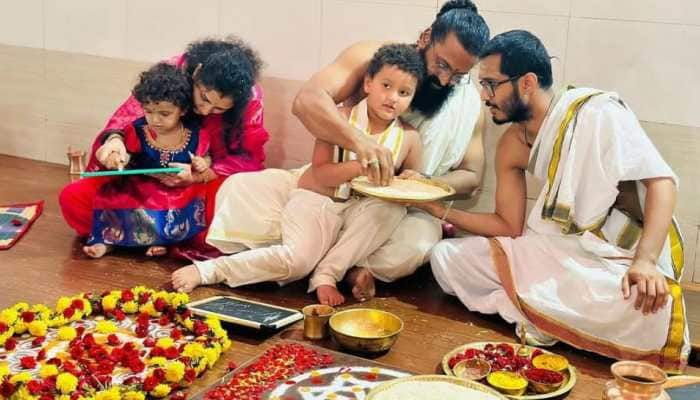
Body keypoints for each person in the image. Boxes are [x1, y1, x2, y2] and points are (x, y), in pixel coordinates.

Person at [170, 0, 490, 297]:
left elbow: (472, 176)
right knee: (243, 190)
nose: (446, 81)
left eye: (459, 75)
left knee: (417, 244)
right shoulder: (373, 59)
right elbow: (307, 101)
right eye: (442, 66)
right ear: (425, 38)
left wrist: (422, 187)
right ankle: (334, 264)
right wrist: (360, 144)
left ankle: (333, 266)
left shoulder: (469, 103)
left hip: (395, 208)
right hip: (332, 188)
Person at [415, 30, 689, 372]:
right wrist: (439, 208)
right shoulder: (511, 145)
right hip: (559, 250)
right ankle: (542, 313)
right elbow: (508, 226)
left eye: (490, 85)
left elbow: (662, 182)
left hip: (617, 255)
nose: (484, 96)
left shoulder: (596, 112)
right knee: (447, 258)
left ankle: (534, 312)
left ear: (527, 83)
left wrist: (645, 262)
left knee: (639, 300)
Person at [172, 44, 425, 304]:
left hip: (359, 210)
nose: (393, 97)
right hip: (317, 200)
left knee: (391, 210)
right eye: (386, 86)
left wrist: (412, 181)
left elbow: (412, 183)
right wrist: (360, 166)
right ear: (368, 83)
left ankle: (327, 274)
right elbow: (322, 174)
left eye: (404, 92)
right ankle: (209, 271)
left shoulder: (409, 138)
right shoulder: (338, 120)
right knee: (299, 261)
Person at [59, 37, 269, 257]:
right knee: (74, 198)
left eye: (219, 109)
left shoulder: (249, 98)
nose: (206, 112)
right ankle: (150, 237)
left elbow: (246, 159)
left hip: (196, 186)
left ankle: (133, 236)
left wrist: (198, 175)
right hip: (138, 186)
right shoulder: (171, 74)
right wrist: (114, 142)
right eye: (204, 98)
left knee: (230, 213)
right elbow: (127, 119)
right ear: (196, 73)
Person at [84, 63, 211, 258]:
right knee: (116, 198)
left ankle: (161, 242)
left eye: (165, 114)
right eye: (149, 111)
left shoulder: (195, 134)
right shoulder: (137, 130)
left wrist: (203, 164)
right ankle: (108, 242)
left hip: (175, 190)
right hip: (139, 187)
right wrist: (119, 157)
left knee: (177, 203)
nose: (155, 120)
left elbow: (207, 158)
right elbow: (124, 153)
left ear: (183, 110)